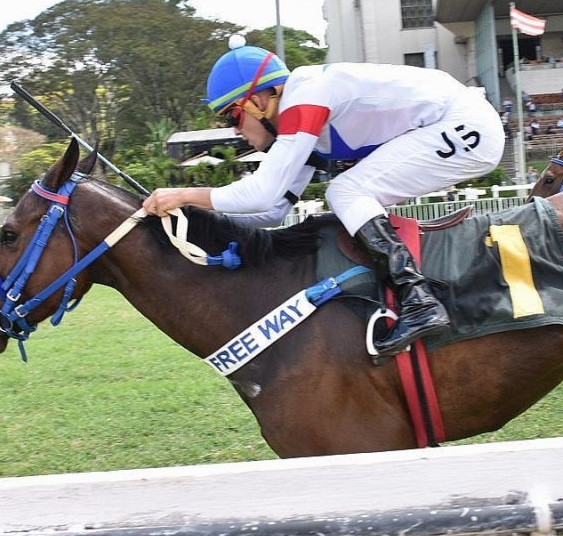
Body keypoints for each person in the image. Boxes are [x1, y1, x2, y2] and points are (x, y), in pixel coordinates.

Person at [142, 38, 505, 357]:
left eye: (232, 117)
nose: (235, 130)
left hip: (464, 122)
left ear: (256, 101)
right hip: (451, 123)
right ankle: (414, 296)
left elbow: (261, 192)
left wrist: (185, 194)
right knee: (346, 190)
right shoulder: (301, 124)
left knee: (345, 190)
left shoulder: (306, 97)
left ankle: (418, 299)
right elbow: (271, 210)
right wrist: (194, 217)